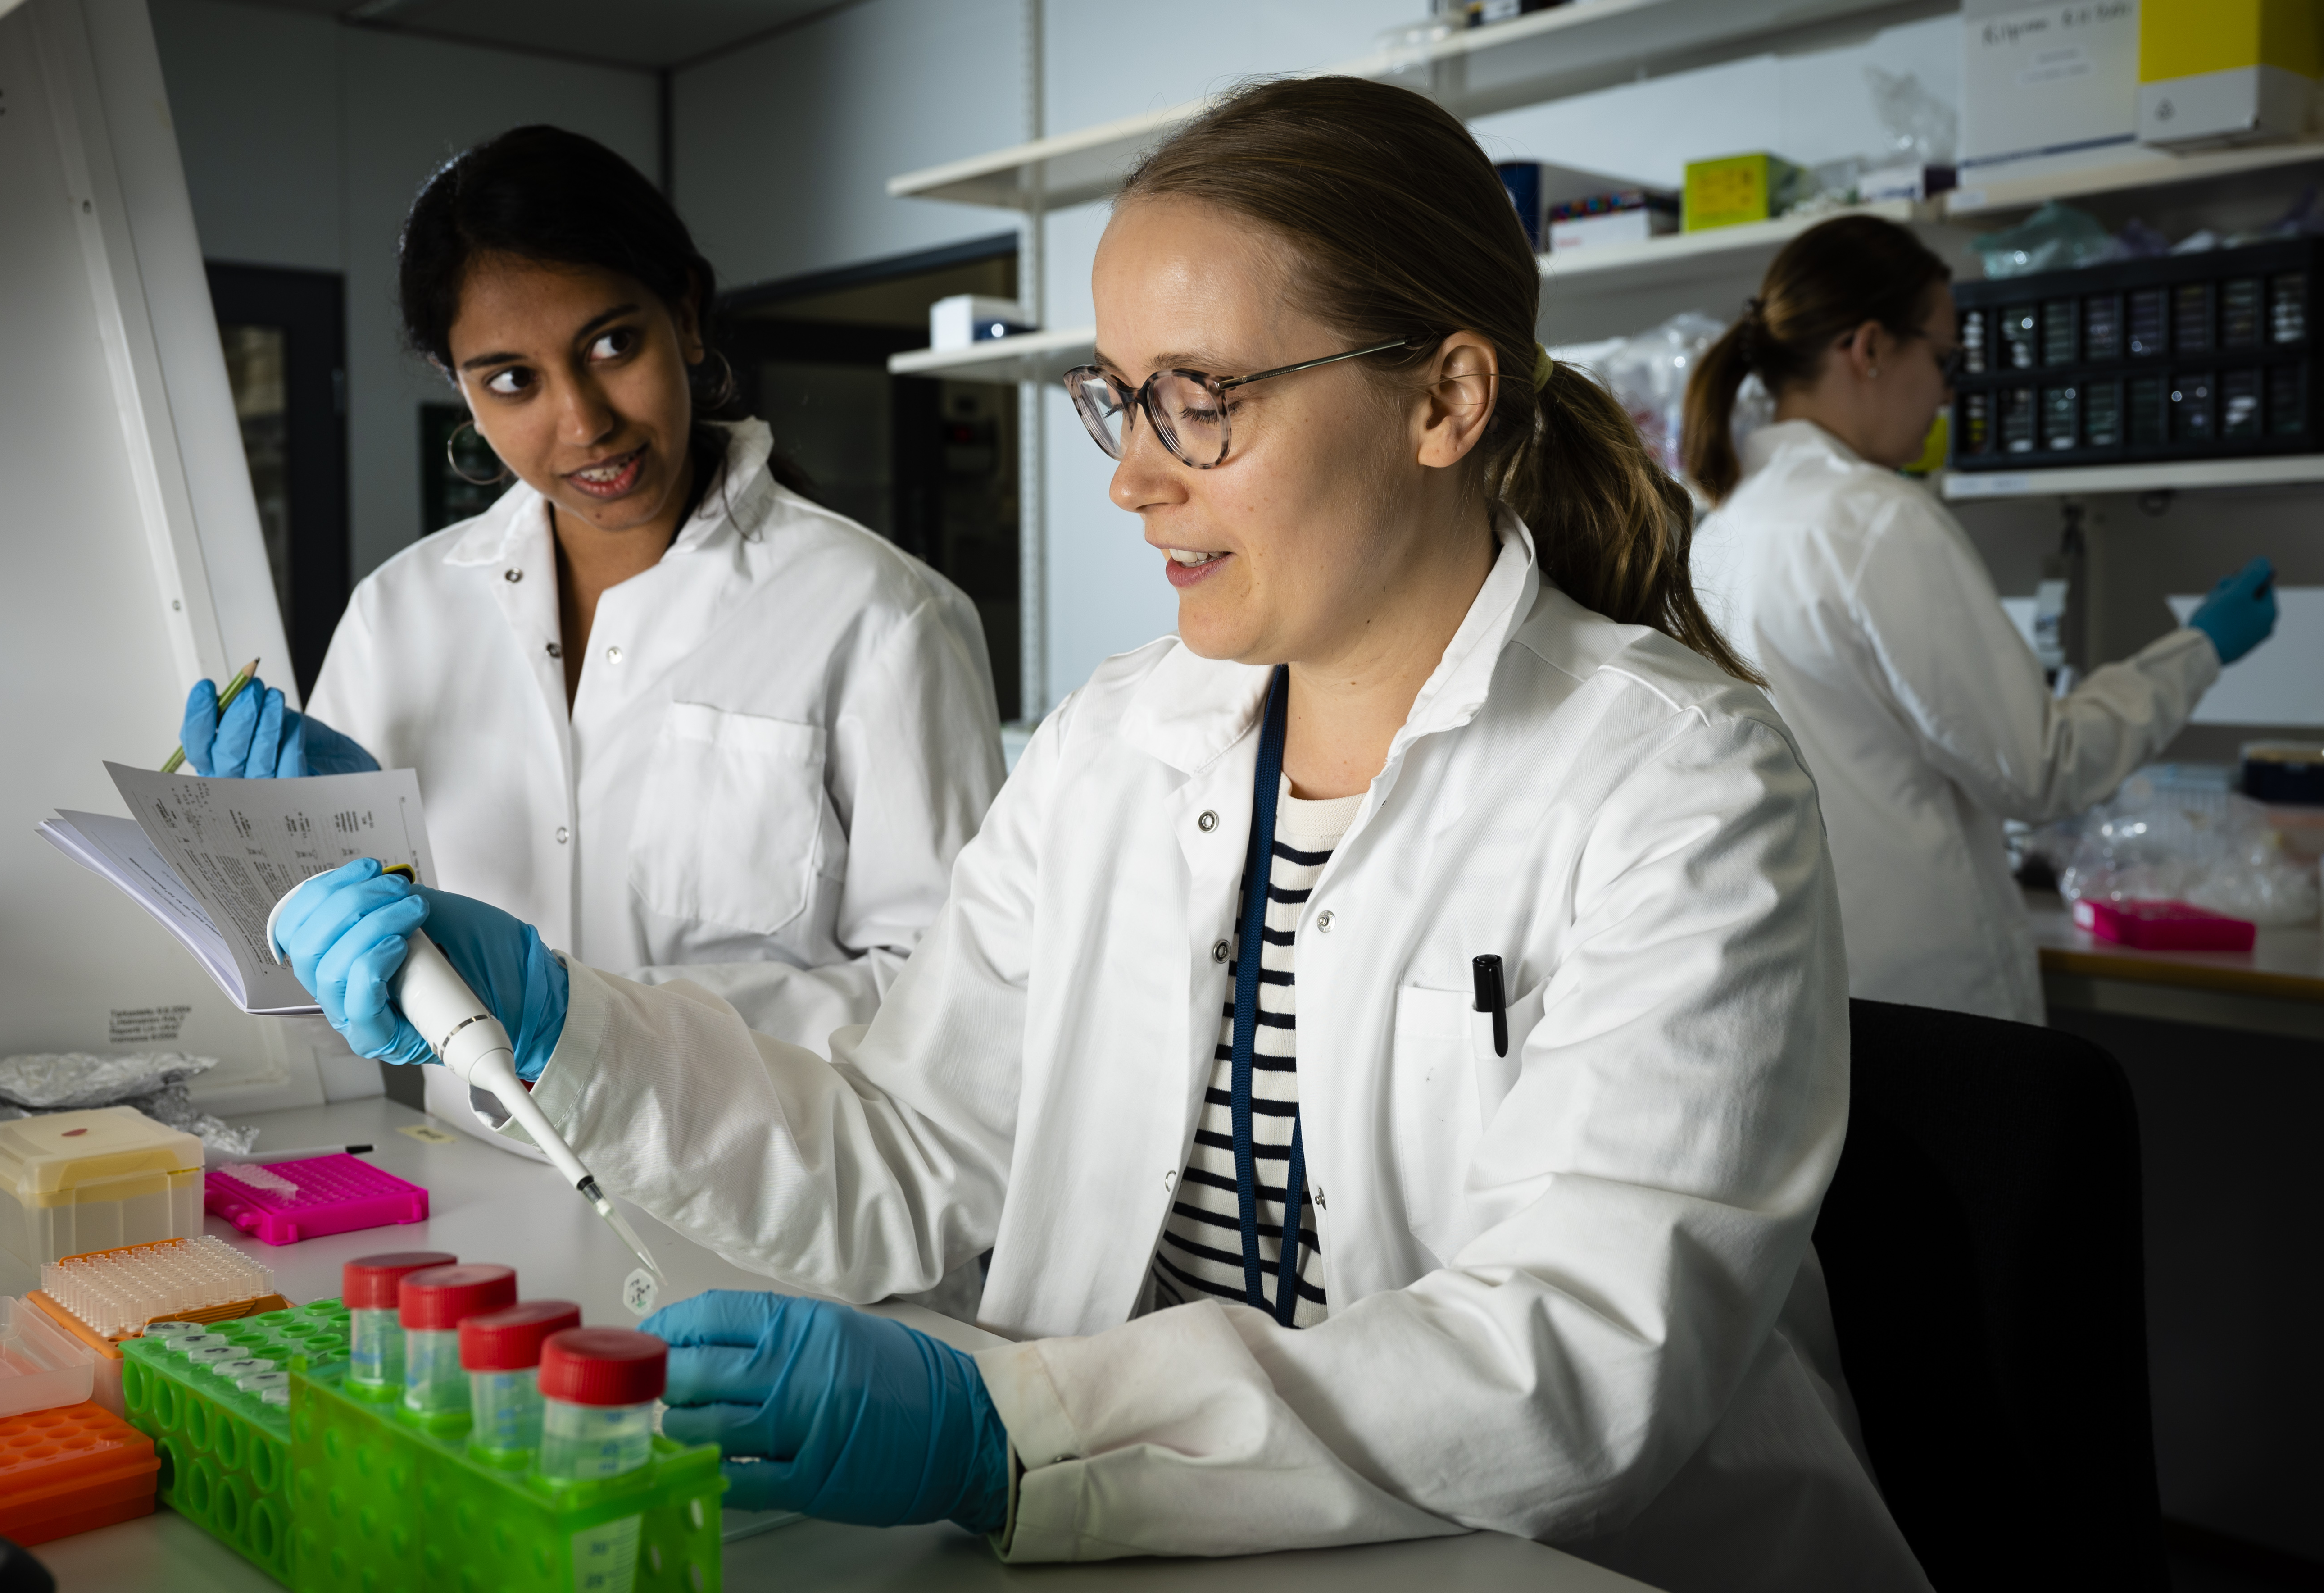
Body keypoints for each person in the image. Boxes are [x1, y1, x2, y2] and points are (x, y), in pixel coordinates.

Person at [272, 79, 1928, 1592]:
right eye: (1116, 400)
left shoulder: (1680, 788)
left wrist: (1016, 1427)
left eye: (1197, 401)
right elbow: (908, 1144)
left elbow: (1572, 1358)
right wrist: (570, 1033)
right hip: (1139, 1545)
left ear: (1444, 397)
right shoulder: (1119, 743)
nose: (1132, 481)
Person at [175, 127, 1006, 1073]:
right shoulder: (399, 614)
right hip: (475, 1179)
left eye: (612, 344)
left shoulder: (882, 616)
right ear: (463, 389)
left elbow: (949, 1001)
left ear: (686, 316)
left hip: (756, 1201)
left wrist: (580, 1020)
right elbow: (328, 984)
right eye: (513, 380)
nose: (582, 422)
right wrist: (281, 850)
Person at [1685, 215, 2279, 1024]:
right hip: (1920, 1003)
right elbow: (2041, 770)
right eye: (1944, 359)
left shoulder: (1721, 529)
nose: (1949, 393)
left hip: (1800, 993)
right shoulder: (1877, 521)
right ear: (1868, 349)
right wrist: (2199, 649)